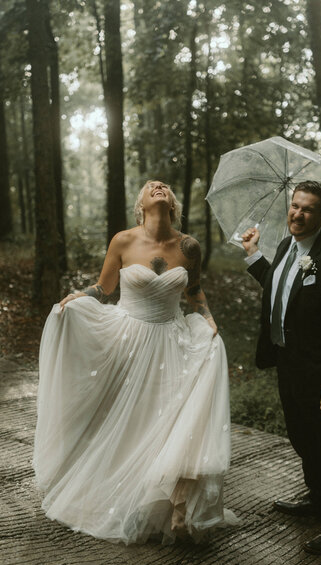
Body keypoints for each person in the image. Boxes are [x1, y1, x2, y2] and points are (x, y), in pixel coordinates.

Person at [33, 180, 237, 545]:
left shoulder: (189, 246)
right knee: (133, 422)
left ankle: (171, 505)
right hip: (129, 338)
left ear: (171, 202)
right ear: (140, 203)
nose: (158, 187)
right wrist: (80, 296)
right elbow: (105, 287)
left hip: (172, 341)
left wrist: (206, 317)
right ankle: (126, 497)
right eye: (151, 186)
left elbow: (193, 290)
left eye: (164, 186)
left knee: (170, 420)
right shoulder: (123, 240)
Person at [241, 180, 321, 555]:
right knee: (301, 436)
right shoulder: (286, 247)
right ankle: (318, 500)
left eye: (308, 209)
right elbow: (281, 290)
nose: (297, 213)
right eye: (295, 205)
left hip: (319, 372)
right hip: (288, 364)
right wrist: (253, 255)